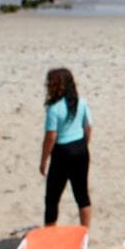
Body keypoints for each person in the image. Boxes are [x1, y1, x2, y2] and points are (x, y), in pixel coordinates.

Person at [40, 68, 93, 227]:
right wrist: (84, 146)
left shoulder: (54, 108)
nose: (48, 86)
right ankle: (85, 232)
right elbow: (88, 128)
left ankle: (50, 233)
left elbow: (51, 137)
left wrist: (43, 161)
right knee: (81, 194)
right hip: (80, 149)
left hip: (62, 152)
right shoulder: (81, 103)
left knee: (52, 197)